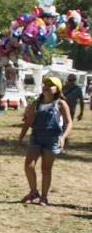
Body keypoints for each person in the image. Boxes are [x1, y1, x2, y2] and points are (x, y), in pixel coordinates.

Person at [19, 75, 73, 205]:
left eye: (51, 85)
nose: (47, 87)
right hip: (36, 137)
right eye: (45, 84)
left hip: (52, 139)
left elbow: (69, 122)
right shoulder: (36, 104)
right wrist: (20, 138)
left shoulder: (60, 104)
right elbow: (28, 122)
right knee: (28, 166)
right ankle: (33, 192)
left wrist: (63, 137)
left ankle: (44, 196)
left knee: (46, 169)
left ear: (58, 89)